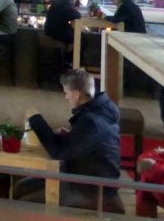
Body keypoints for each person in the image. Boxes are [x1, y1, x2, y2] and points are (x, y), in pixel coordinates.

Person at [17, 69, 123, 212]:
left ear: (76, 94)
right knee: (21, 186)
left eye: (66, 93)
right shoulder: (103, 108)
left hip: (91, 187)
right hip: (88, 176)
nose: (66, 97)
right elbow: (87, 142)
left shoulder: (91, 121)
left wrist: (36, 119)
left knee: (25, 203)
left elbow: (58, 152)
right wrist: (72, 136)